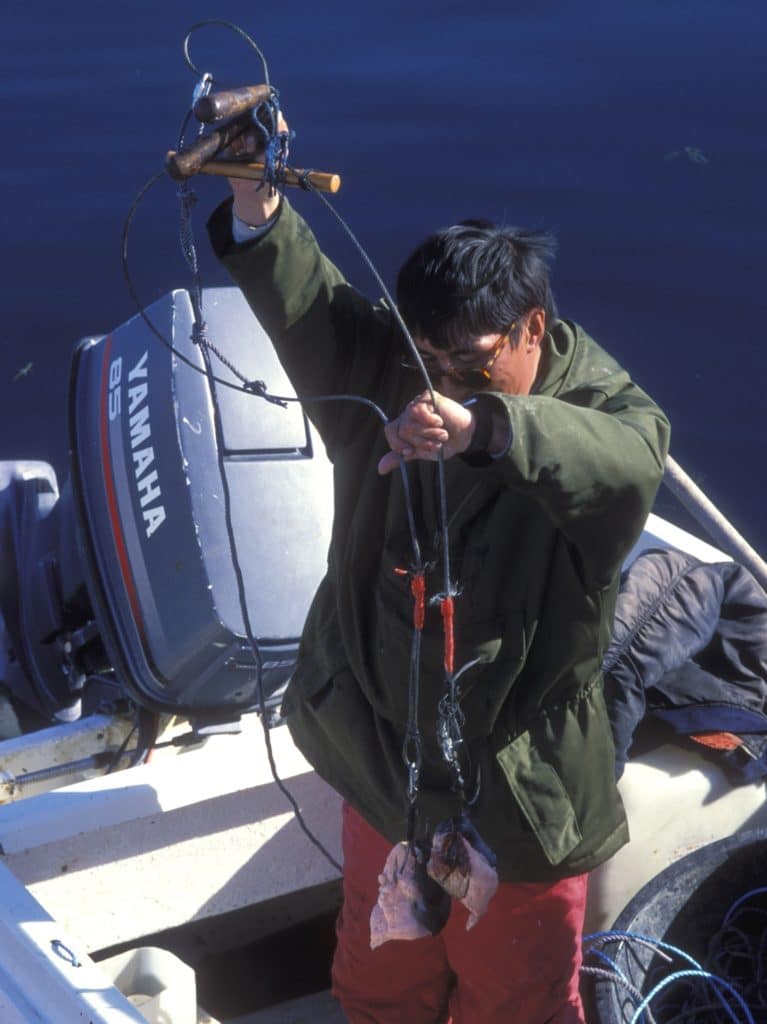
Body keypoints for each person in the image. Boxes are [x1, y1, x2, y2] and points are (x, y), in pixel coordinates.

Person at [207, 114, 670, 1024]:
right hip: (386, 762)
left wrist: (487, 430)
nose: (445, 382)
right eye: (432, 359)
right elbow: (314, 308)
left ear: (531, 327)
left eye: (473, 361)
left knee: (517, 999)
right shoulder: (400, 366)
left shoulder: (607, 411)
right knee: (381, 973)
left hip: (518, 790)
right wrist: (253, 191)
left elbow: (623, 461)